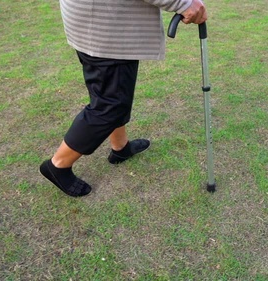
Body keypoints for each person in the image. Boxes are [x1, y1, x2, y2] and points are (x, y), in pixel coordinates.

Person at [40, 0, 207, 197]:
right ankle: (58, 165)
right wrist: (182, 3)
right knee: (109, 106)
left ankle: (120, 148)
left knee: (111, 96)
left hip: (95, 22)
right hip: (106, 28)